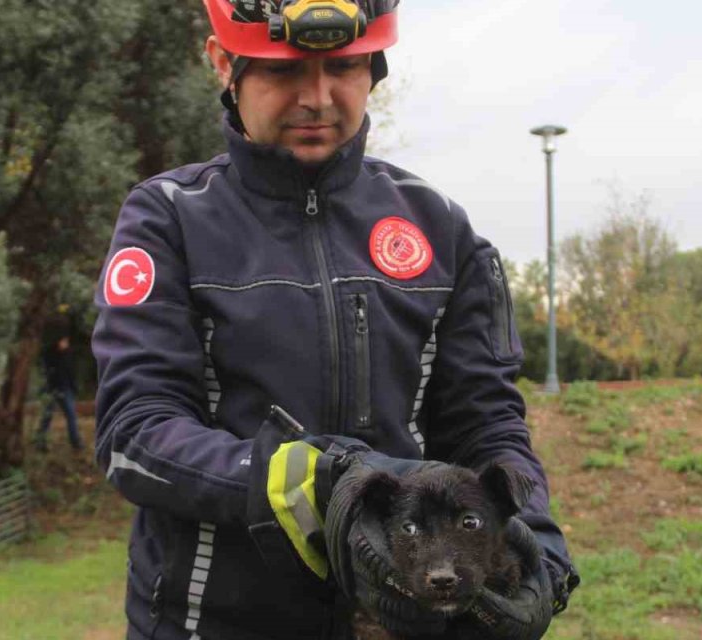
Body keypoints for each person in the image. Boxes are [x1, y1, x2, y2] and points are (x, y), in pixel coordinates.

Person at [92, 1, 579, 638]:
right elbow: (135, 435)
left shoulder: (441, 227)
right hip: (209, 621)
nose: (318, 98)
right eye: (284, 71)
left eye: (343, 66)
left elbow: (485, 422)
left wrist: (533, 536)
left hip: (404, 617)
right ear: (223, 65)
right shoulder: (167, 218)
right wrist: (315, 481)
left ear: (376, 67)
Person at [36, 330, 85, 452]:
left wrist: (74, 388)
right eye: (64, 341)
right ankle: (40, 441)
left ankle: (75, 442)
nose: (66, 343)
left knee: (71, 416)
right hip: (52, 389)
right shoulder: (49, 354)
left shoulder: (68, 355)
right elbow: (47, 371)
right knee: (47, 416)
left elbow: (70, 373)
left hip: (65, 389)